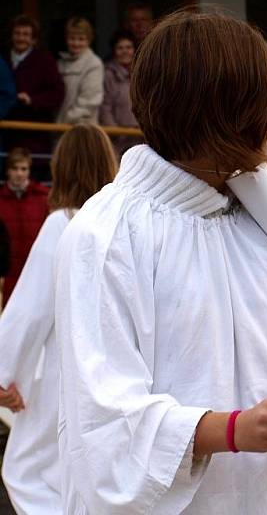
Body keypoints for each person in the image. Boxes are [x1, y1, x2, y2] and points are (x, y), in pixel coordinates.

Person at [54, 8, 267, 513]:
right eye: (264, 94)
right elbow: (102, 414)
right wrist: (231, 429)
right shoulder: (107, 235)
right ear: (212, 106)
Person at [0, 124, 118, 514]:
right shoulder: (124, 223)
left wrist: (3, 375)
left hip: (68, 370)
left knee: (27, 469)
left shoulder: (62, 223)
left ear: (62, 169)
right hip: (122, 369)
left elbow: (29, 311)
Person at [3, 15, 65, 172]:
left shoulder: (44, 61)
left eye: (25, 34)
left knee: (34, 175)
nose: (21, 38)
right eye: (17, 33)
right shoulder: (3, 58)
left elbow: (57, 93)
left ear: (34, 39)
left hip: (34, 132)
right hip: (6, 131)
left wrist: (32, 100)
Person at [0, 147, 49, 304]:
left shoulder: (44, 197)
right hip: (8, 274)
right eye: (15, 168)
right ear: (8, 171)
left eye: (23, 168)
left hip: (35, 271)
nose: (19, 173)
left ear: (29, 171)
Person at [99, 29, 141, 155]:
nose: (125, 51)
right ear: (114, 51)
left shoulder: (142, 72)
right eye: (120, 48)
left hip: (141, 137)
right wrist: (117, 131)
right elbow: (105, 107)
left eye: (128, 47)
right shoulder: (108, 74)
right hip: (117, 139)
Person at [56, 17, 104, 124]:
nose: (76, 43)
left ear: (89, 40)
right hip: (59, 127)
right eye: (72, 38)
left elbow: (89, 102)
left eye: (81, 39)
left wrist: (64, 121)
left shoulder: (94, 63)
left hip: (82, 128)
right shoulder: (60, 63)